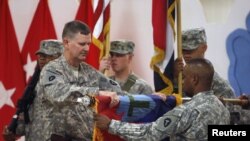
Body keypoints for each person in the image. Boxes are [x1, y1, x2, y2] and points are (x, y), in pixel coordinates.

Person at [94, 58, 230, 141]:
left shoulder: (187, 111)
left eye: (184, 77)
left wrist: (111, 125)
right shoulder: (222, 108)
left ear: (194, 79)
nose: (182, 82)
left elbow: (151, 133)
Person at [35, 20, 125, 141]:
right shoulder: (51, 70)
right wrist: (97, 93)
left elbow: (117, 91)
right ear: (66, 42)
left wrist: (151, 97)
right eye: (82, 44)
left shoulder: (89, 72)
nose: (87, 49)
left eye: (89, 44)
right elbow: (58, 93)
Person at [2, 39, 63, 141]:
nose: (42, 59)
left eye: (47, 55)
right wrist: (12, 133)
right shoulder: (34, 86)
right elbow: (26, 122)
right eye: (40, 55)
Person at [174, 27, 235, 99]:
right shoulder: (178, 77)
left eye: (191, 50)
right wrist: (175, 78)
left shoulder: (222, 88)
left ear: (204, 48)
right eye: (183, 50)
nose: (186, 55)